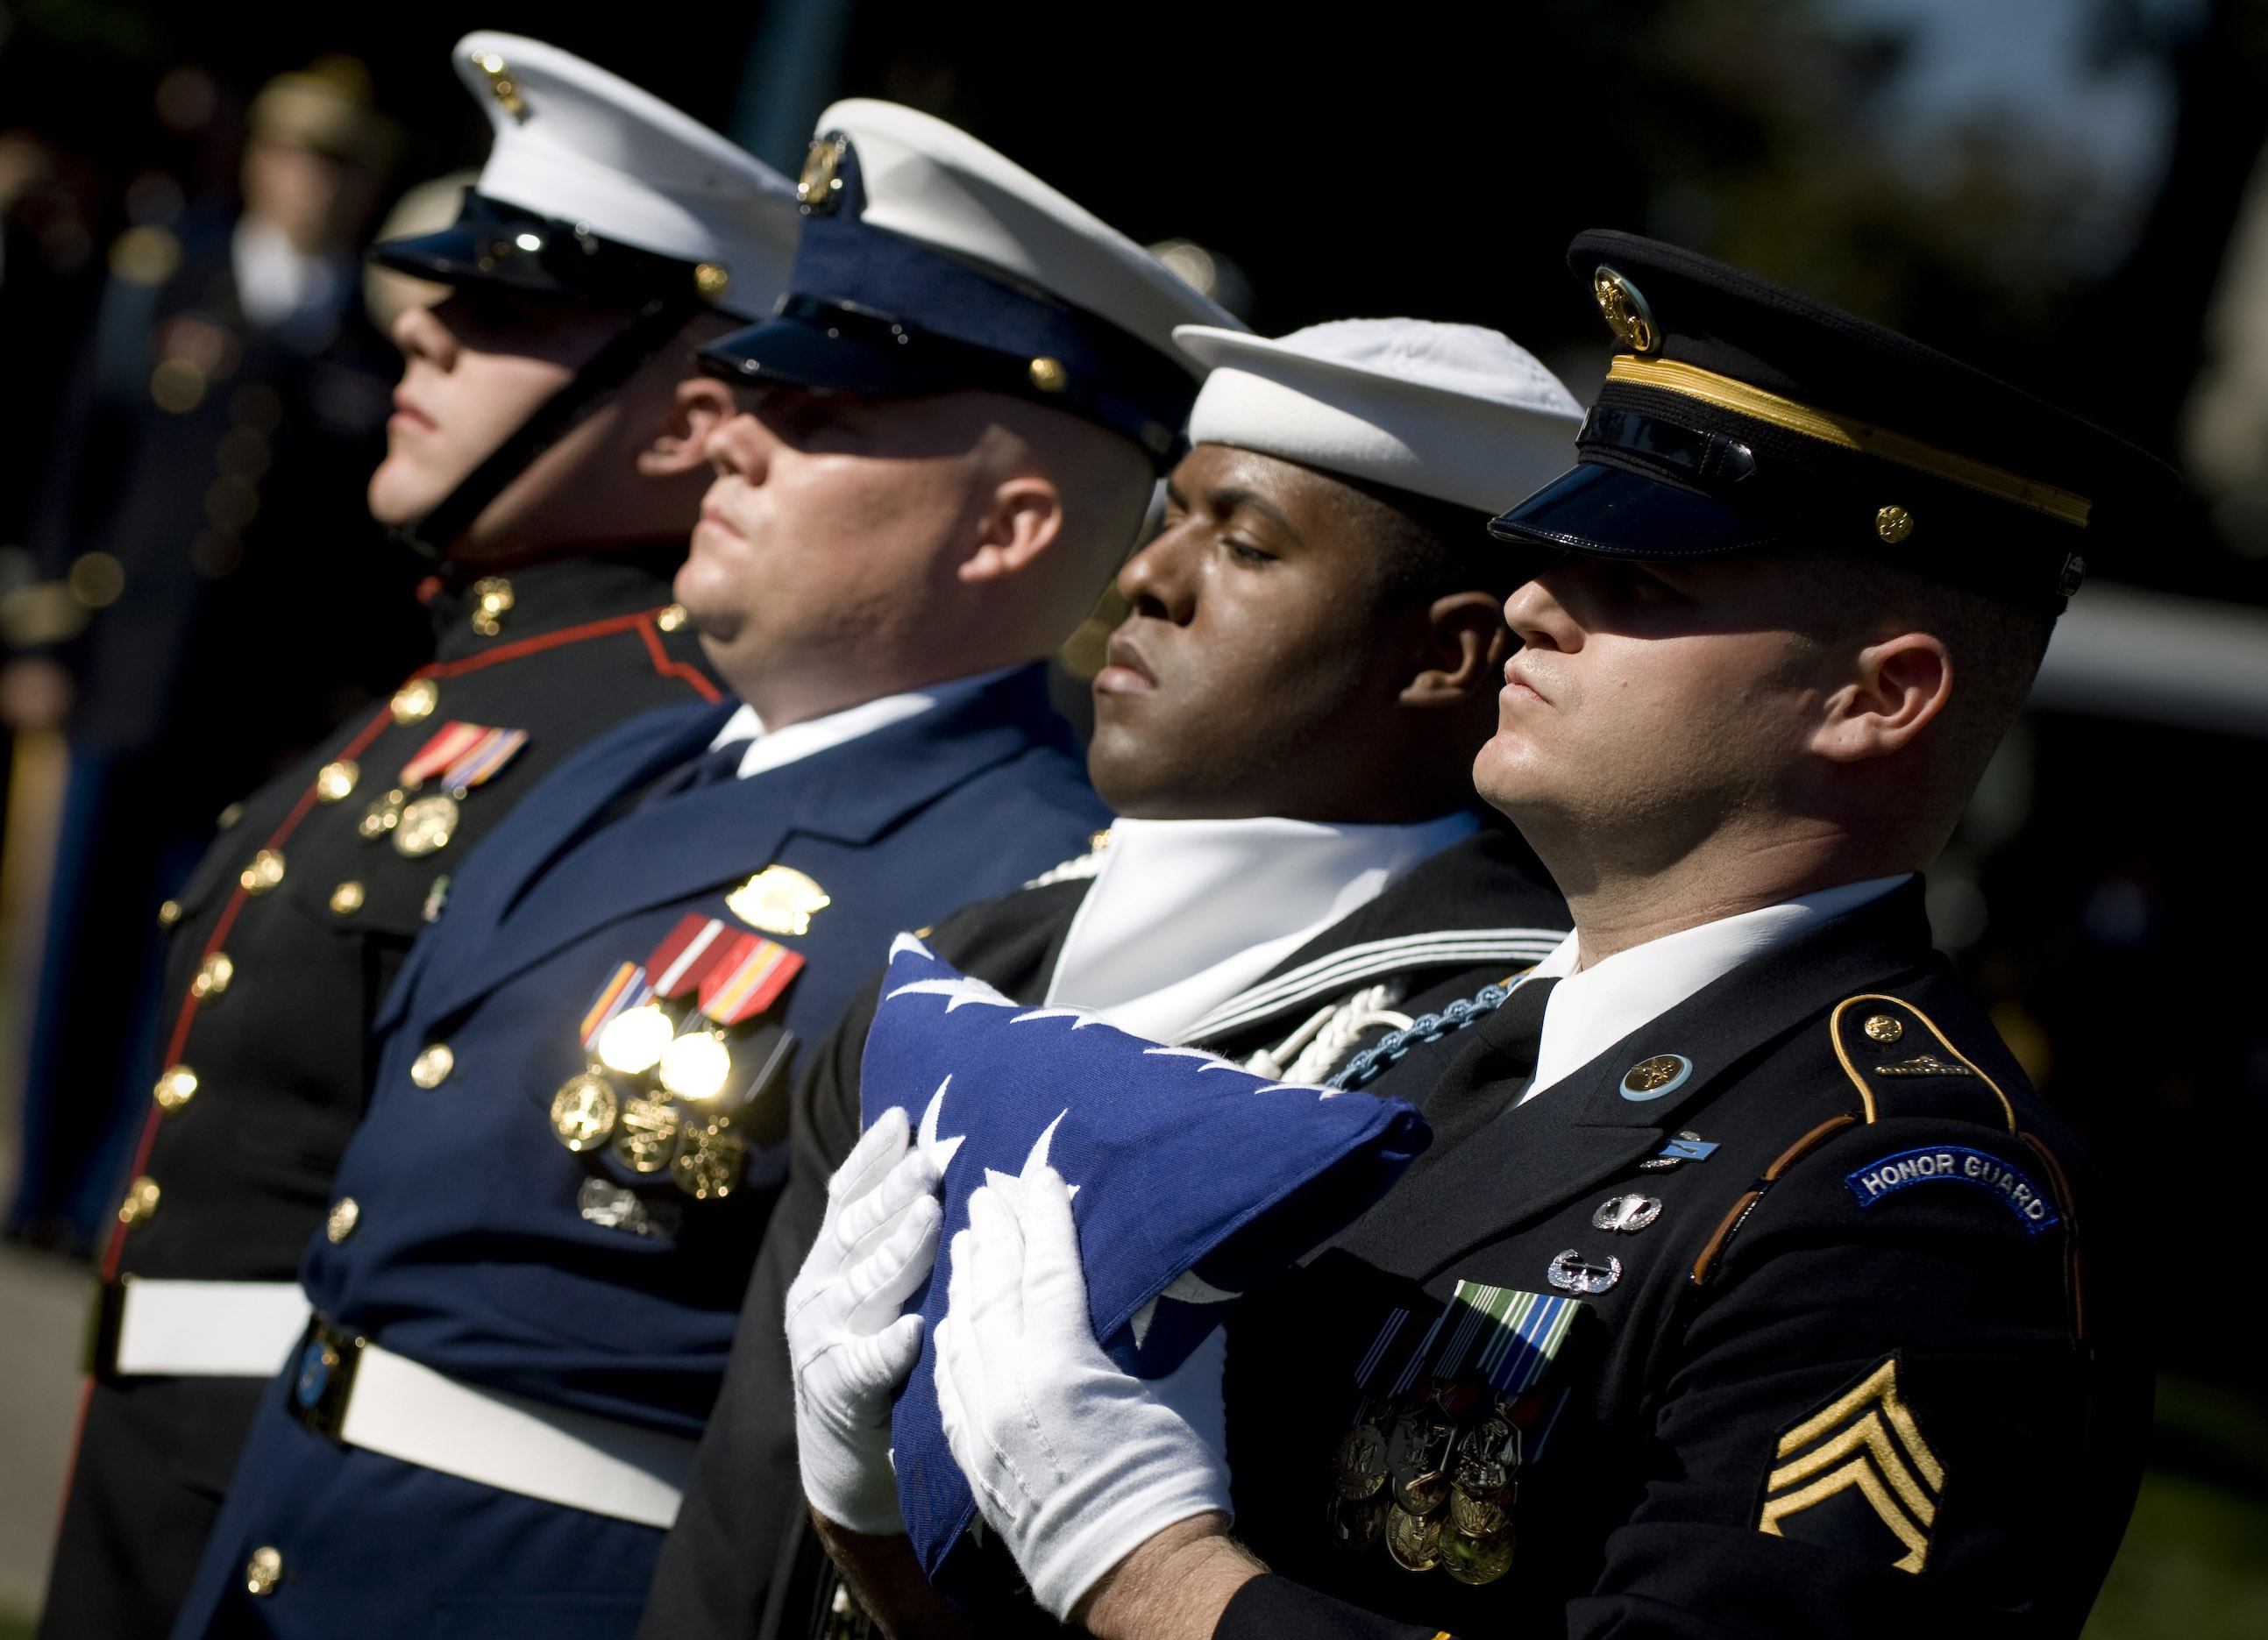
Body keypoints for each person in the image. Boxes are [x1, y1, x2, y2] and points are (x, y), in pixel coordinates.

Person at [837, 232, 2160, 1638]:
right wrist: (883, 1517)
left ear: (1879, 698)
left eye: (1643, 583)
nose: (1535, 600)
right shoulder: (1429, 1039)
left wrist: (1141, 1566)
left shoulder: (1911, 1206)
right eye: (1557, 557)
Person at [167, 97, 1236, 1638]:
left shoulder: (1019, 911)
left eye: (821, 416)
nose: (728, 431)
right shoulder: (626, 759)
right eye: (753, 389)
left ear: (1006, 529)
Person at [640, 316, 1588, 1640]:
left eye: (1244, 545)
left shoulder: (1511, 1047)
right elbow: (745, 1523)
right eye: (1169, 522)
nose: (1147, 575)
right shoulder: (974, 957)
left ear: (1446, 657)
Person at [39, 35, 800, 1639]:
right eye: (443, 291)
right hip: (172, 1465)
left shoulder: (661, 735)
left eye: (512, 313)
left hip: (299, 1503)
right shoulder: (485, 662)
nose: (426, 329)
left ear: (684, 419)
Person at [5, 57, 418, 1256]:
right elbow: (79, 462)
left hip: (259, 707)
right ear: (259, 160)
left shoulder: (369, 336)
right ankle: (38, 1174)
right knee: (74, 937)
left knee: (188, 958)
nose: (314, 182)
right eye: (297, 152)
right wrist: (44, 635)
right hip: (124, 673)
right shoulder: (168, 282)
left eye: (342, 163)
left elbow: (364, 559)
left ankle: (107, 1204)